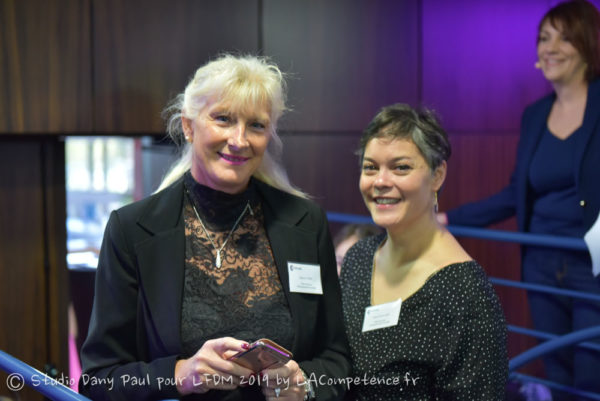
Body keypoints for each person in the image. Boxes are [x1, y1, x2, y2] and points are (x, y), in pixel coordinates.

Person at [79, 54, 351, 401]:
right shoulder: (132, 229)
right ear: (189, 126)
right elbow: (99, 380)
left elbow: (337, 360)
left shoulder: (305, 223)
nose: (239, 140)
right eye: (223, 119)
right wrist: (178, 374)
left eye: (256, 125)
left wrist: (305, 384)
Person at [439, 1, 600, 398]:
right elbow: (516, 194)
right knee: (557, 372)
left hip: (592, 266)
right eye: (544, 38)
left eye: (563, 37)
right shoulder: (534, 115)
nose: (550, 47)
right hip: (541, 263)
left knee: (591, 372)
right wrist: (450, 220)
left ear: (588, 43)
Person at [340, 104, 508, 400]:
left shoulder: (467, 294)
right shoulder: (359, 258)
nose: (380, 181)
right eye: (370, 167)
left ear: (437, 175)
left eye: (400, 167)